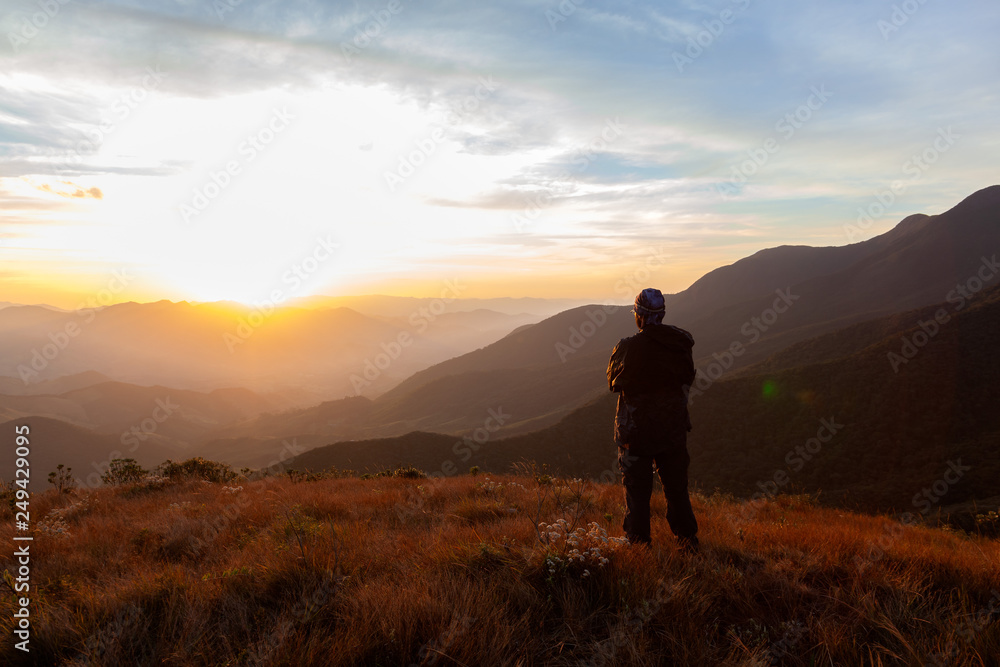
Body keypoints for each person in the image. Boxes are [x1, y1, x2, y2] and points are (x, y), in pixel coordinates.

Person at [607, 287, 699, 552]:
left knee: (637, 493)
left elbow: (613, 382)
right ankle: (687, 542)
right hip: (673, 429)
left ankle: (639, 547)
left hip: (636, 434)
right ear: (663, 313)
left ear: (640, 315)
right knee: (676, 488)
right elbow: (686, 378)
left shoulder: (628, 347)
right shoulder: (682, 343)